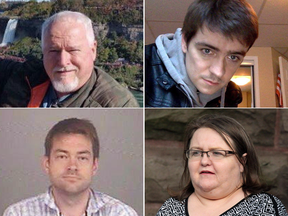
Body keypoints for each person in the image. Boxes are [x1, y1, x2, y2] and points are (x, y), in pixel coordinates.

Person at [0, 11, 139, 107]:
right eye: (53, 50)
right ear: (43, 51)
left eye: (73, 50)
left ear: (93, 50)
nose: (62, 61)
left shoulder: (117, 106)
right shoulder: (26, 75)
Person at [156, 115, 288, 216]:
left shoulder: (264, 208)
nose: (204, 161)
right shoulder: (170, 209)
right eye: (196, 152)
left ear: (242, 162)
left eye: (217, 153)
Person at [3, 118, 138, 216]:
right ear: (47, 164)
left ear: (94, 166)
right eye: (62, 156)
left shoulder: (121, 213)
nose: (72, 166)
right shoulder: (18, 213)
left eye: (82, 158)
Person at [145, 0, 258, 107]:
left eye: (233, 57)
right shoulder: (142, 69)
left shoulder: (231, 95)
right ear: (184, 42)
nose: (218, 72)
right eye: (207, 51)